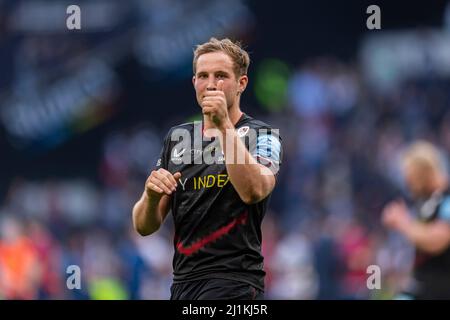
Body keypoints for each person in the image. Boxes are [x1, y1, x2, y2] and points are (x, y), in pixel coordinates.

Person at [132, 38, 282, 300]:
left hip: (235, 281)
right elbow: (144, 226)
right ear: (194, 83)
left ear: (241, 84)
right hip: (182, 283)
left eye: (221, 76)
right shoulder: (177, 137)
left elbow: (254, 190)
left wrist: (224, 125)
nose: (211, 84)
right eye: (203, 76)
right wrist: (151, 195)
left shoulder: (264, 135)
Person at [382, 140, 450, 299]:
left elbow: (438, 239)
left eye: (410, 176)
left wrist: (403, 222)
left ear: (423, 171)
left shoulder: (447, 199)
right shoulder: (428, 202)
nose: (408, 183)